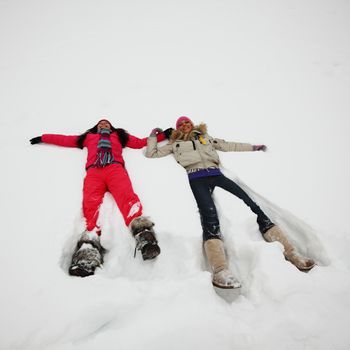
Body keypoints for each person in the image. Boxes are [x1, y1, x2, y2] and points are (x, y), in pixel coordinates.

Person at [146, 116, 315, 289]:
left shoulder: (206, 138)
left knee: (251, 204)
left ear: (192, 124)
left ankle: (292, 252)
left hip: (216, 174)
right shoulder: (175, 145)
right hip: (196, 178)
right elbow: (151, 153)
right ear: (178, 129)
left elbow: (228, 145)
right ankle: (220, 270)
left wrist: (253, 147)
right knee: (209, 215)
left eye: (187, 122)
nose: (184, 125)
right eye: (180, 124)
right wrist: (153, 136)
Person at [30, 119, 166, 277]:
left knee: (127, 198)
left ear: (111, 126)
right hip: (94, 172)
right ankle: (88, 252)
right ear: (96, 127)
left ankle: (145, 237)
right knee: (90, 206)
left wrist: (162, 136)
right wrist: (44, 137)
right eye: (101, 124)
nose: (104, 125)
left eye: (107, 123)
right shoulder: (88, 137)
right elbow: (65, 139)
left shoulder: (120, 136)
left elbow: (140, 142)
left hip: (115, 169)